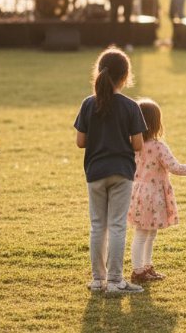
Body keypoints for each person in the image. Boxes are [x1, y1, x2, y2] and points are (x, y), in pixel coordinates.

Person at [74, 47, 145, 294]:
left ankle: (97, 280)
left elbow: (80, 141)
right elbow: (138, 144)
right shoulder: (130, 106)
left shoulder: (88, 104)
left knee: (97, 226)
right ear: (125, 77)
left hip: (94, 172)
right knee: (117, 226)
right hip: (121, 172)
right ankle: (115, 281)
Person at [127, 98, 186, 284]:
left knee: (149, 232)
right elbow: (175, 167)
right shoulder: (158, 146)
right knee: (142, 234)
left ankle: (146, 267)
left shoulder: (132, 144)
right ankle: (138, 270)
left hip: (139, 194)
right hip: (153, 195)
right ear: (156, 123)